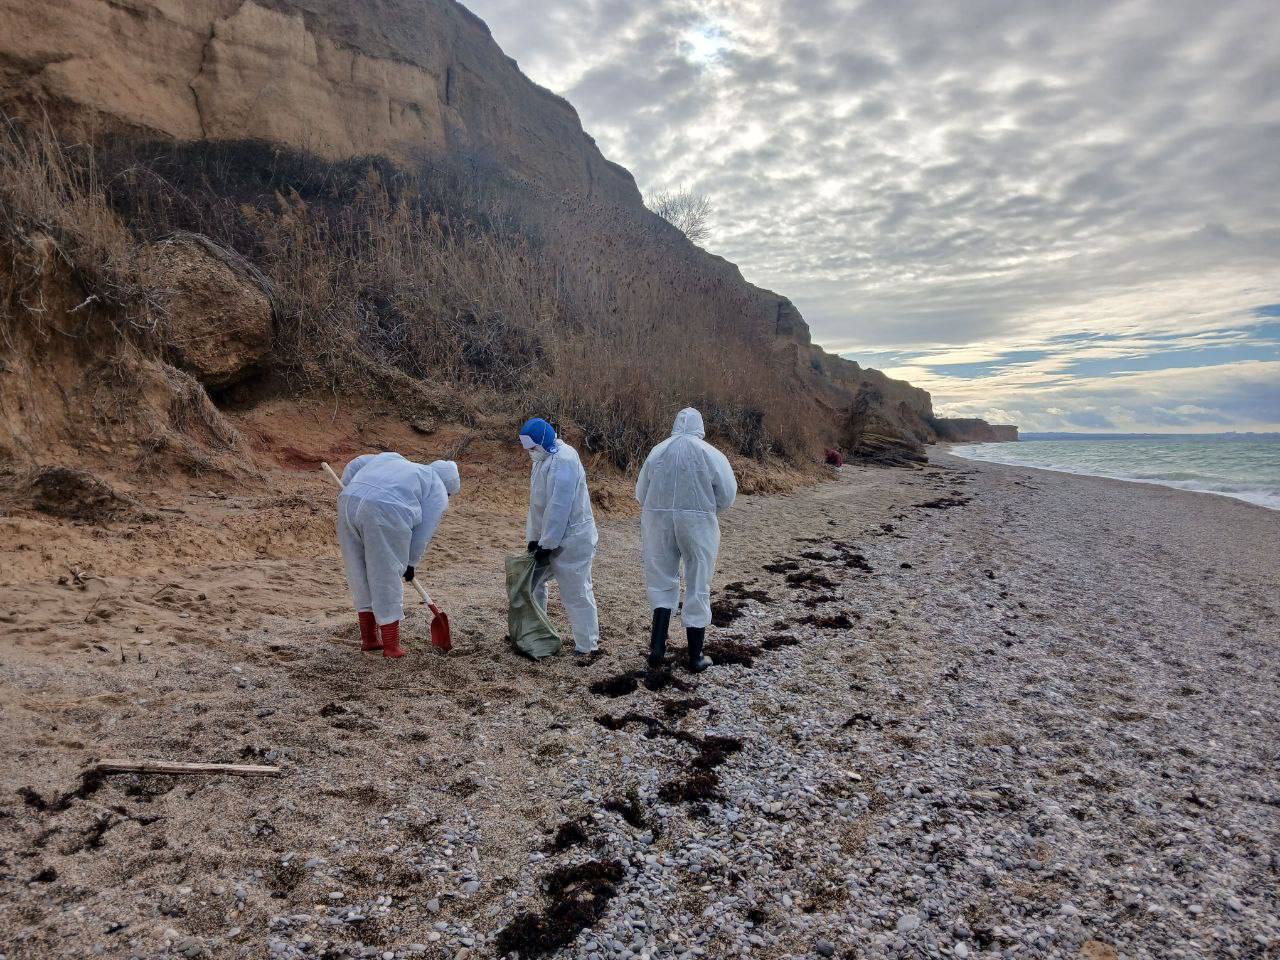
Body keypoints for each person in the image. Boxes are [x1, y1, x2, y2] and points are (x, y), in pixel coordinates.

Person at [636, 407, 737, 672]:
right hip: (698, 523)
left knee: (661, 579)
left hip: (658, 522)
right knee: (698, 581)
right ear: (700, 426)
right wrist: (705, 507)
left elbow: (641, 492)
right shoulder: (710, 454)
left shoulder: (658, 451)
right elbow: (727, 494)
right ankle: (695, 656)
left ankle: (657, 649)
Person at [337, 453, 460, 658]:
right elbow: (423, 531)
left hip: (348, 502)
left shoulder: (394, 458)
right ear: (448, 487)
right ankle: (391, 646)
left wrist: (350, 488)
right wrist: (410, 563)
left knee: (358, 571)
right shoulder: (437, 486)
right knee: (385, 575)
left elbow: (355, 464)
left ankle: (369, 639)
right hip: (386, 510)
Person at [520, 418, 601, 657]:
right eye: (528, 450)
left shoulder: (564, 460)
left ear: (544, 443)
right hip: (549, 538)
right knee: (532, 584)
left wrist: (547, 543)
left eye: (533, 448)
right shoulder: (542, 459)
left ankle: (587, 646)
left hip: (573, 539)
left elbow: (559, 507)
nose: (530, 453)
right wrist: (534, 539)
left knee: (576, 592)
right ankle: (537, 631)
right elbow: (538, 505)